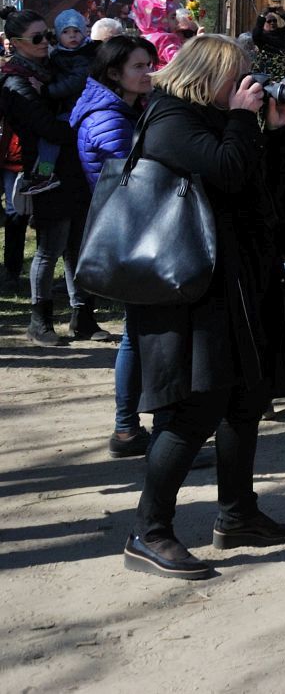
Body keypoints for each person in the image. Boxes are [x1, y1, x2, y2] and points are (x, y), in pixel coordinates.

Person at [122, 34, 285, 580]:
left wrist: (276, 131)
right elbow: (225, 171)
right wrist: (245, 121)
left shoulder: (221, 120)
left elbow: (262, 190)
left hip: (235, 281)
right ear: (209, 75)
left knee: (245, 399)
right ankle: (149, 532)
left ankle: (237, 513)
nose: (246, 85)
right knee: (192, 409)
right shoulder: (171, 118)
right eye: (238, 76)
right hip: (186, 290)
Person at [71, 34, 161, 455]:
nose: (148, 73)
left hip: (131, 229)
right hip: (129, 232)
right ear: (114, 73)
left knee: (138, 333)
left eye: (150, 64)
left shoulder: (119, 107)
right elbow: (134, 176)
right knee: (139, 335)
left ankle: (131, 428)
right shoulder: (109, 115)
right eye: (139, 67)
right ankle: (129, 429)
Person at [1, 6, 98, 344]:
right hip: (46, 173)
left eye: (49, 36)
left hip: (73, 168)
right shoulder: (16, 79)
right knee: (50, 248)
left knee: (77, 244)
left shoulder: (52, 68)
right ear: (15, 43)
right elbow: (45, 128)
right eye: (38, 38)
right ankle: (39, 320)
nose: (47, 43)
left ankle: (82, 316)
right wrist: (91, 129)